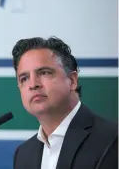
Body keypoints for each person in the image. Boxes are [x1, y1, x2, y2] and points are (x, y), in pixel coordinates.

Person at [12, 36, 118, 169]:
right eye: (24, 78)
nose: (33, 84)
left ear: (72, 81)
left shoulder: (111, 140)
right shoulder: (23, 154)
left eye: (44, 73)